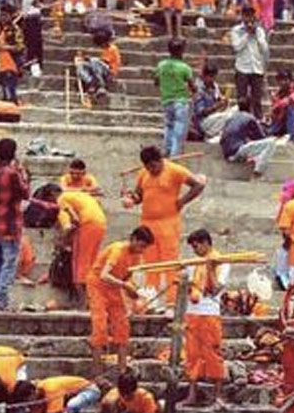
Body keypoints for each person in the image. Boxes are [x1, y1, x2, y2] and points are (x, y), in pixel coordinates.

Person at [123, 147, 206, 301]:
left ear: (160, 160)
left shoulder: (175, 170)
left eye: (154, 166)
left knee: (170, 262)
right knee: (150, 263)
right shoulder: (143, 173)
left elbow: (198, 185)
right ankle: (150, 299)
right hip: (147, 224)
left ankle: (171, 301)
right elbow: (139, 195)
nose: (152, 170)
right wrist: (130, 199)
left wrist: (182, 201)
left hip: (168, 222)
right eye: (148, 167)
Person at [87, 228, 154, 375]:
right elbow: (104, 275)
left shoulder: (136, 256)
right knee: (100, 327)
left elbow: (125, 278)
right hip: (98, 286)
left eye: (145, 247)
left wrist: (132, 297)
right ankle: (97, 374)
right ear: (133, 239)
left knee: (122, 327)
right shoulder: (117, 250)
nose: (142, 250)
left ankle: (122, 371)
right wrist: (125, 286)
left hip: (114, 289)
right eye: (141, 246)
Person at [182, 229, 228, 407]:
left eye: (196, 246)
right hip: (192, 312)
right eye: (192, 247)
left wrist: (209, 268)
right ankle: (192, 395)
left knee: (213, 354)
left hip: (210, 313)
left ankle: (216, 396)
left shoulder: (222, 263)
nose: (194, 250)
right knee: (192, 355)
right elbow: (188, 290)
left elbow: (215, 290)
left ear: (206, 243)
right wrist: (183, 280)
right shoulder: (192, 263)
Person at [0, 138, 30, 312]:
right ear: (13, 153)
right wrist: (23, 172)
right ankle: (2, 300)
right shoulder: (13, 173)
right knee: (9, 263)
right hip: (10, 224)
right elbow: (25, 193)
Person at [45, 181, 108, 304]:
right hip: (101, 224)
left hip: (87, 225)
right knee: (91, 262)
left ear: (53, 194)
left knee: (79, 265)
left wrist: (62, 242)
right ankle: (93, 299)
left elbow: (73, 221)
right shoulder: (76, 195)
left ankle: (83, 302)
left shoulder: (61, 198)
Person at [153, 39, 195, 158]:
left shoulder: (161, 65)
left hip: (166, 100)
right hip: (180, 101)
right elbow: (192, 86)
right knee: (179, 128)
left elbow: (156, 81)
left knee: (168, 126)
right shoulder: (184, 67)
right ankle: (174, 154)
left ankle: (167, 150)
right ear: (181, 51)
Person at [229, 5, 269, 118]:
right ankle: (242, 121)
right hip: (242, 68)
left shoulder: (260, 31)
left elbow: (264, 48)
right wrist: (247, 34)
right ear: (242, 16)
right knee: (242, 99)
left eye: (251, 16)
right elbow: (236, 47)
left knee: (257, 100)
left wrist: (256, 34)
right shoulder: (236, 30)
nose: (249, 19)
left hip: (257, 68)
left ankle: (257, 122)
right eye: (246, 16)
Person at [220, 106, 279, 177]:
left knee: (255, 149)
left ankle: (255, 160)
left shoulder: (231, 118)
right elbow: (261, 137)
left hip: (227, 153)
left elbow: (222, 140)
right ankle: (258, 171)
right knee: (271, 143)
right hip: (237, 151)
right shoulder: (250, 117)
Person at [268, 69, 294, 141]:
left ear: (290, 80)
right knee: (268, 132)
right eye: (280, 80)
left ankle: (291, 136)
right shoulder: (278, 94)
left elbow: (291, 100)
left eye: (285, 80)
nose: (283, 82)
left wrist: (278, 104)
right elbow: (273, 110)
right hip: (281, 121)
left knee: (291, 109)